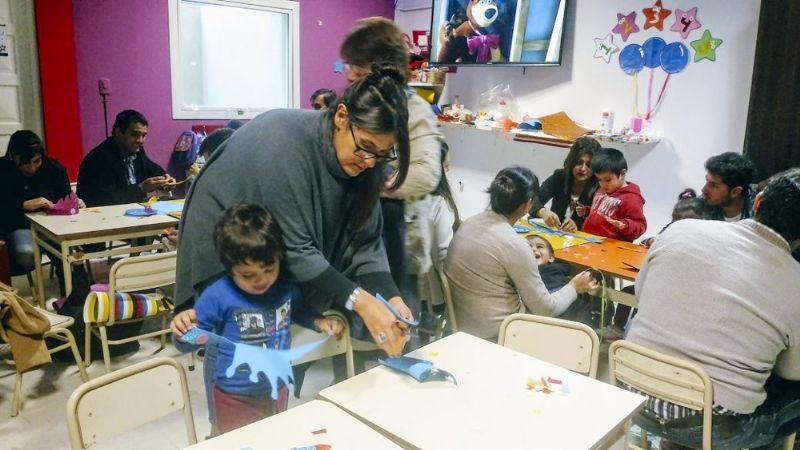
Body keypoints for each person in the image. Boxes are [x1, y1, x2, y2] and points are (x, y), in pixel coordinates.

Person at [173, 67, 414, 358]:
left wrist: (391, 299)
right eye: (365, 147)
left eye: (382, 153)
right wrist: (361, 301)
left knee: (275, 343)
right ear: (341, 117)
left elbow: (367, 242)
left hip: (281, 248)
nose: (370, 161)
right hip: (229, 240)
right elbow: (296, 248)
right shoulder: (285, 144)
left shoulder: (365, 162)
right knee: (241, 339)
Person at [625, 168, 800, 449]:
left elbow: (642, 297)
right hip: (714, 426)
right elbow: (792, 371)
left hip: (633, 395)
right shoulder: (795, 281)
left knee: (637, 326)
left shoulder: (680, 229)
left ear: (757, 201)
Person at [172, 204, 343, 435]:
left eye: (269, 269)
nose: (261, 280)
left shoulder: (285, 286)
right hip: (235, 396)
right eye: (248, 275)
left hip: (278, 386)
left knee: (274, 439)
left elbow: (297, 309)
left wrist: (318, 321)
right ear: (230, 267)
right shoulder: (217, 295)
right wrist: (183, 330)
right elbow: (190, 341)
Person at [341, 17, 445, 319]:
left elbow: (426, 173)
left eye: (354, 66)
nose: (348, 75)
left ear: (377, 67)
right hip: (355, 243)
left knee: (398, 325)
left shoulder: (414, 109)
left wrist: (371, 179)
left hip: (399, 243)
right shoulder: (353, 102)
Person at [444, 166, 598, 340]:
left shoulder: (469, 223)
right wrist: (575, 287)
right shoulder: (514, 244)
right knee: (573, 306)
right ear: (528, 205)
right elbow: (546, 309)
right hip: (499, 333)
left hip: (461, 324)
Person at [601, 189, 713, 341]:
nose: (677, 226)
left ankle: (631, 330)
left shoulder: (701, 245)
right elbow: (648, 240)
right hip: (654, 285)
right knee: (630, 291)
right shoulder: (670, 229)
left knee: (642, 300)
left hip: (672, 296)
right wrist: (652, 240)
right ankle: (618, 328)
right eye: (675, 222)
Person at [0, 130, 80, 289]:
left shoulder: (54, 168)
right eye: (24, 163)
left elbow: (65, 196)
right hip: (18, 226)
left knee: (73, 253)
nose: (31, 168)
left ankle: (73, 292)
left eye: (36, 161)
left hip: (53, 225)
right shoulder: (3, 170)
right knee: (25, 255)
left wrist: (74, 202)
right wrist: (22, 205)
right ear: (11, 156)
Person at [405, 142, 460, 322]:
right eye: (445, 166)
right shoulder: (439, 204)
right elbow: (443, 252)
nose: (449, 170)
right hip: (428, 292)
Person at [77, 109, 175, 207]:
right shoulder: (100, 158)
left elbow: (152, 168)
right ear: (119, 132)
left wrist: (165, 178)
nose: (140, 141)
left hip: (134, 212)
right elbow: (104, 200)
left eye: (144, 135)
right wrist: (141, 189)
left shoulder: (136, 150)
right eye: (135, 134)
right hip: (106, 216)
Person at [531, 137, 601, 232]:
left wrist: (577, 225)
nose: (583, 168)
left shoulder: (601, 186)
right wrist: (542, 211)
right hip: (555, 233)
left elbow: (600, 222)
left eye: (589, 164)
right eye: (578, 163)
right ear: (571, 162)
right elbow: (532, 199)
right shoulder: (560, 177)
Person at [580, 147, 647, 242]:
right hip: (588, 240)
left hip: (609, 248)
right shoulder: (603, 189)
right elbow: (600, 212)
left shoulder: (631, 199)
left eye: (608, 180)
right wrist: (587, 211)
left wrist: (626, 225)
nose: (603, 184)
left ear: (623, 173)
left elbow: (641, 225)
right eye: (599, 180)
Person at [701, 152, 757, 222]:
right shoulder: (701, 207)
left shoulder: (760, 210)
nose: (704, 190)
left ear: (735, 192)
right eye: (707, 181)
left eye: (713, 185)